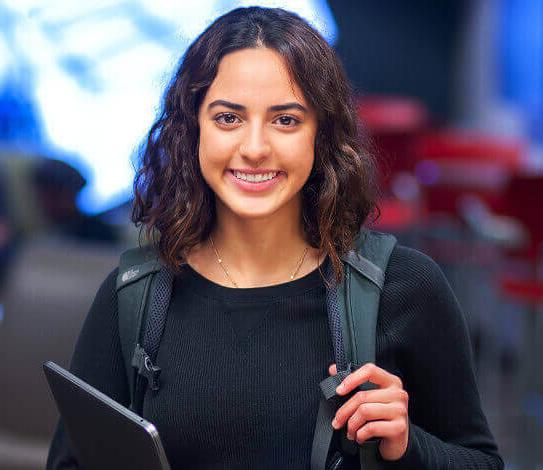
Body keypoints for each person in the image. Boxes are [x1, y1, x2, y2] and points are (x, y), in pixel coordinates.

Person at [46, 6, 503, 469]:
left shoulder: (403, 287)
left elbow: (481, 461)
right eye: (228, 118)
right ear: (193, 129)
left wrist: (407, 448)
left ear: (321, 135)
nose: (255, 148)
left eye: (285, 120)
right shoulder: (133, 296)